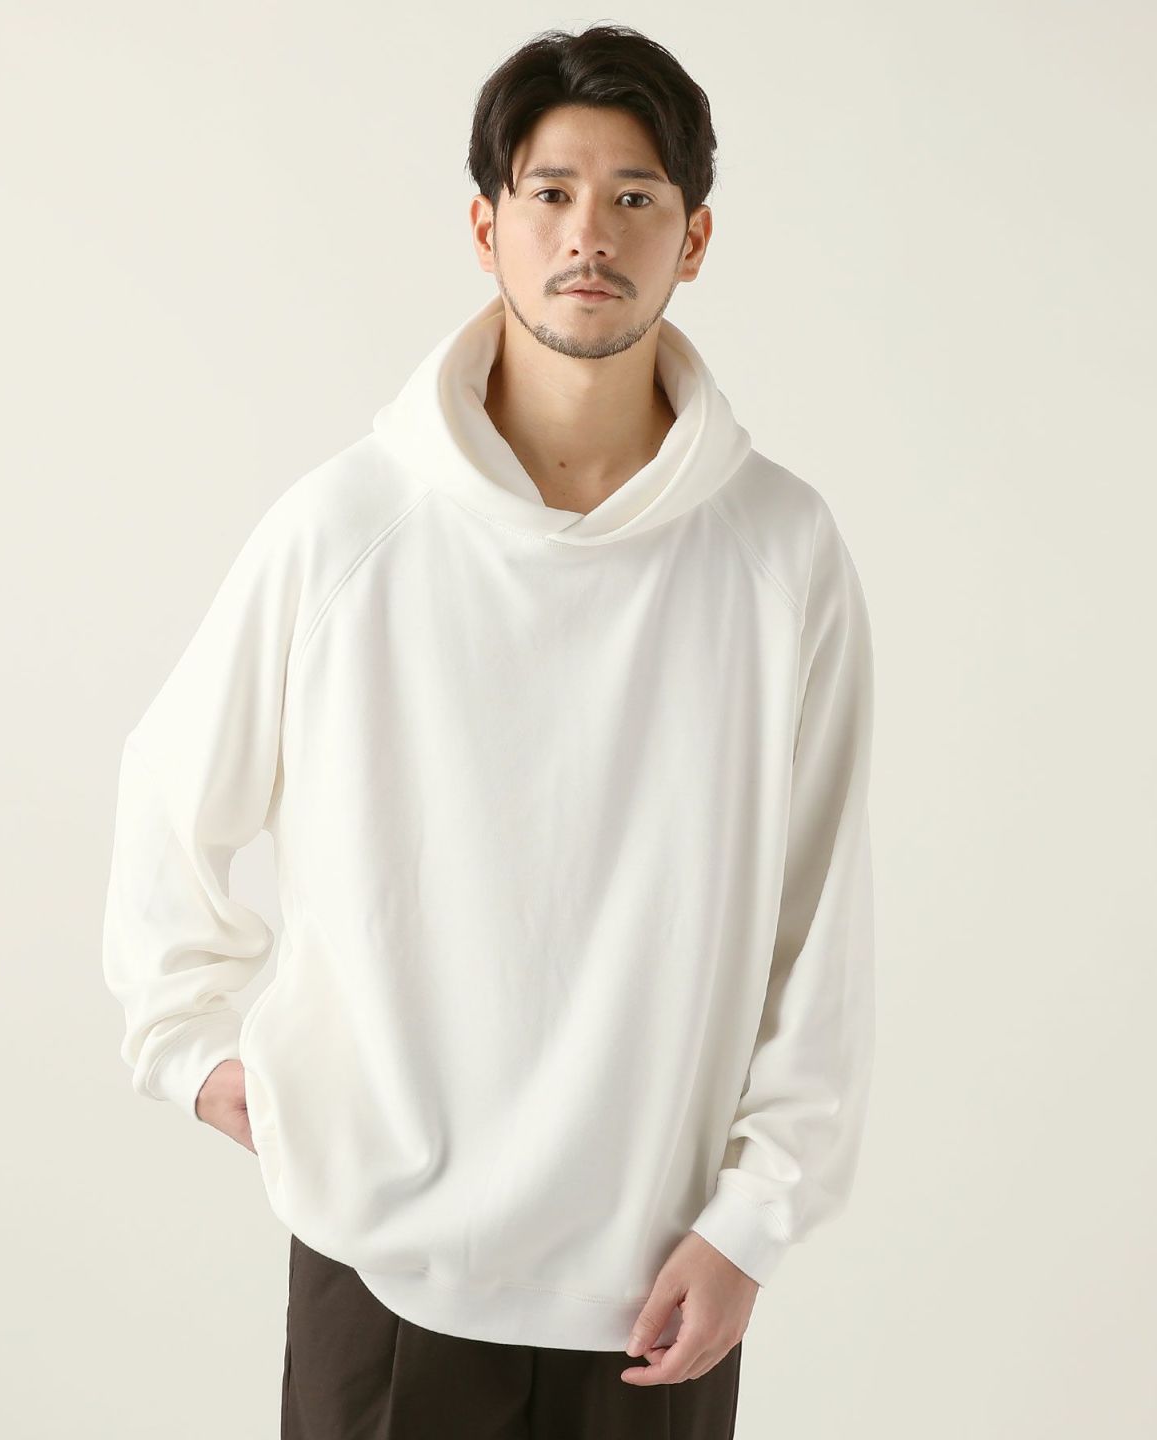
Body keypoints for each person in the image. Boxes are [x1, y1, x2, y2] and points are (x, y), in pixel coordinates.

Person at [102, 22, 877, 1439]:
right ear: (487, 227)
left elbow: (817, 916)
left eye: (636, 196)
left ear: (695, 239)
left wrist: (756, 1219)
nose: (591, 233)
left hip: (659, 1282)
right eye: (551, 193)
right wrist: (191, 1046)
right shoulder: (348, 526)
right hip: (382, 1269)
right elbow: (169, 797)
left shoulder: (780, 550)